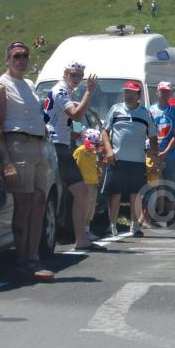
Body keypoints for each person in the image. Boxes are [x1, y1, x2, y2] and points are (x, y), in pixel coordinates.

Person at [0, 42, 55, 280]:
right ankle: (23, 260)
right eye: (16, 56)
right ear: (7, 59)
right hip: (17, 145)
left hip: (38, 146)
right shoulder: (0, 87)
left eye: (25, 56)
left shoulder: (28, 84)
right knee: (23, 205)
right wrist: (7, 162)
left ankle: (34, 257)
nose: (21, 60)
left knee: (39, 201)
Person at [45, 60, 105, 251]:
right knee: (77, 192)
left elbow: (72, 122)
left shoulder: (68, 92)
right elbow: (76, 114)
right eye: (73, 75)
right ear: (65, 74)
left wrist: (77, 132)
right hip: (56, 146)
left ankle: (81, 237)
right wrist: (89, 91)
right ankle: (79, 237)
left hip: (62, 144)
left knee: (80, 192)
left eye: (80, 76)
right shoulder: (61, 91)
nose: (77, 79)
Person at [101, 81, 158, 238]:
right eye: (126, 92)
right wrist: (109, 150)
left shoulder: (145, 113)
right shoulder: (116, 109)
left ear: (138, 95)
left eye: (132, 93)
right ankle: (112, 225)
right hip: (117, 159)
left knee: (136, 193)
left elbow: (153, 135)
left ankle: (135, 225)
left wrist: (154, 156)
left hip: (138, 160)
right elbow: (105, 131)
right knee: (115, 193)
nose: (128, 95)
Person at [150, 82, 175, 216]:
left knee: (170, 184)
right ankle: (156, 211)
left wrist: (165, 152)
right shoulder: (150, 110)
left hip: (169, 155)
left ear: (170, 94)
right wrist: (153, 152)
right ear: (157, 92)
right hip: (153, 153)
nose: (164, 94)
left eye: (167, 92)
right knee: (154, 183)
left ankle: (170, 213)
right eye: (162, 91)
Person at [74, 129, 102, 241]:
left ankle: (87, 229)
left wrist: (98, 170)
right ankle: (81, 232)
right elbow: (76, 166)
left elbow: (94, 165)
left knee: (90, 208)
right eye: (92, 144)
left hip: (93, 182)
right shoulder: (80, 151)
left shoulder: (94, 153)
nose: (93, 147)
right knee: (84, 208)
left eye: (95, 145)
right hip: (84, 183)